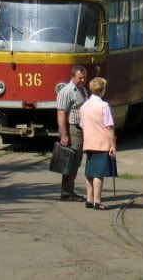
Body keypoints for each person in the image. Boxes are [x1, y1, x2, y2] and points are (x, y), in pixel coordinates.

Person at [79, 76, 117, 210]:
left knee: (89, 173)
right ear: (103, 90)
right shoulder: (104, 106)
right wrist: (112, 144)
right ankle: (97, 201)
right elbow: (109, 126)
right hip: (102, 143)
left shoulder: (84, 106)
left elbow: (82, 125)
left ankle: (89, 199)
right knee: (98, 174)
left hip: (88, 143)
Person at [56, 65, 89, 201]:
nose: (83, 80)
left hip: (80, 129)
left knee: (76, 160)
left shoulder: (82, 89)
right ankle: (67, 193)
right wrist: (64, 135)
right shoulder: (67, 91)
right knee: (71, 161)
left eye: (84, 77)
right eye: (80, 77)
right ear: (72, 76)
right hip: (72, 129)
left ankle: (68, 191)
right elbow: (61, 113)